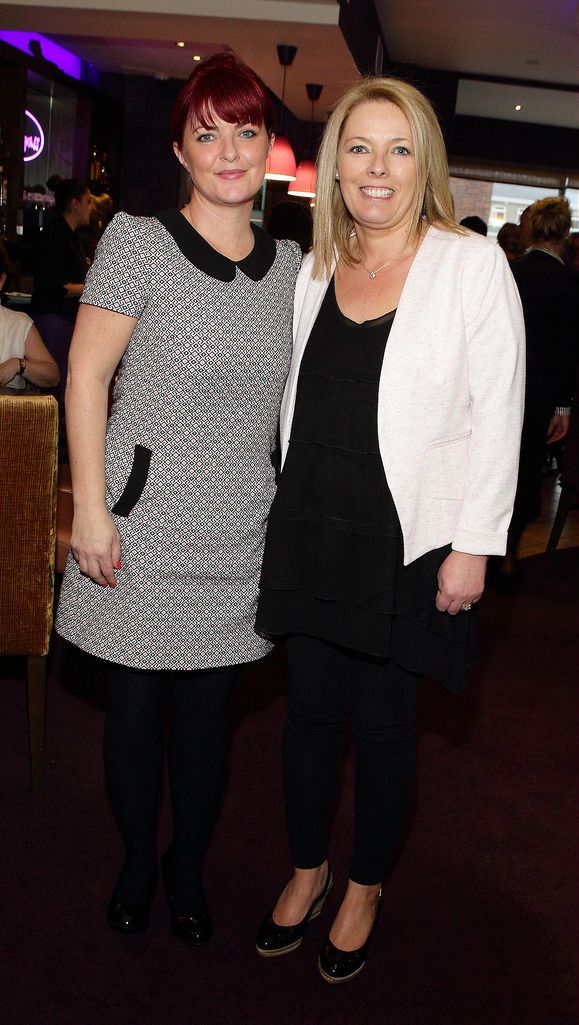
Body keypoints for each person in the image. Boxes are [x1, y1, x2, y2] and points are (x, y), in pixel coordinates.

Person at [254, 76, 525, 983]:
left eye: (398, 149)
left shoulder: (469, 263)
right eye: (359, 149)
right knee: (305, 720)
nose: (377, 168)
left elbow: (501, 411)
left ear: (424, 166)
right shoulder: (316, 265)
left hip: (406, 540)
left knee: (382, 726)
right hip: (311, 529)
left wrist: (475, 542)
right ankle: (307, 867)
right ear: (333, 169)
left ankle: (364, 883)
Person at [55, 53, 301, 944]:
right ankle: (133, 857)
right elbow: (84, 375)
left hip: (241, 534)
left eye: (245, 131)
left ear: (269, 146)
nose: (229, 150)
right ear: (181, 150)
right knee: (132, 714)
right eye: (208, 133)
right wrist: (90, 505)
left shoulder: (293, 270)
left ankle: (185, 864)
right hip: (140, 528)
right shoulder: (138, 240)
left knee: (207, 724)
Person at [505, 197, 579, 574]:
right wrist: (564, 406)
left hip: (503, 385)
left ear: (530, 229)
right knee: (527, 469)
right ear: (565, 233)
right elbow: (569, 349)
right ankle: (510, 550)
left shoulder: (509, 272)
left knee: (498, 466)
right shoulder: (569, 281)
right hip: (541, 393)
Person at [31, 178, 92, 412]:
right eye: (87, 202)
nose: (91, 207)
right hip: (54, 319)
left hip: (65, 320)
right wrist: (90, 288)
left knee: (63, 387)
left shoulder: (72, 237)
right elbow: (53, 285)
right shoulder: (55, 236)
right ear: (74, 204)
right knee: (55, 389)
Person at [0, 251, 59, 391]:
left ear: (1, 281)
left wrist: (19, 365)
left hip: (9, 410)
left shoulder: (18, 324)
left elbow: (53, 376)